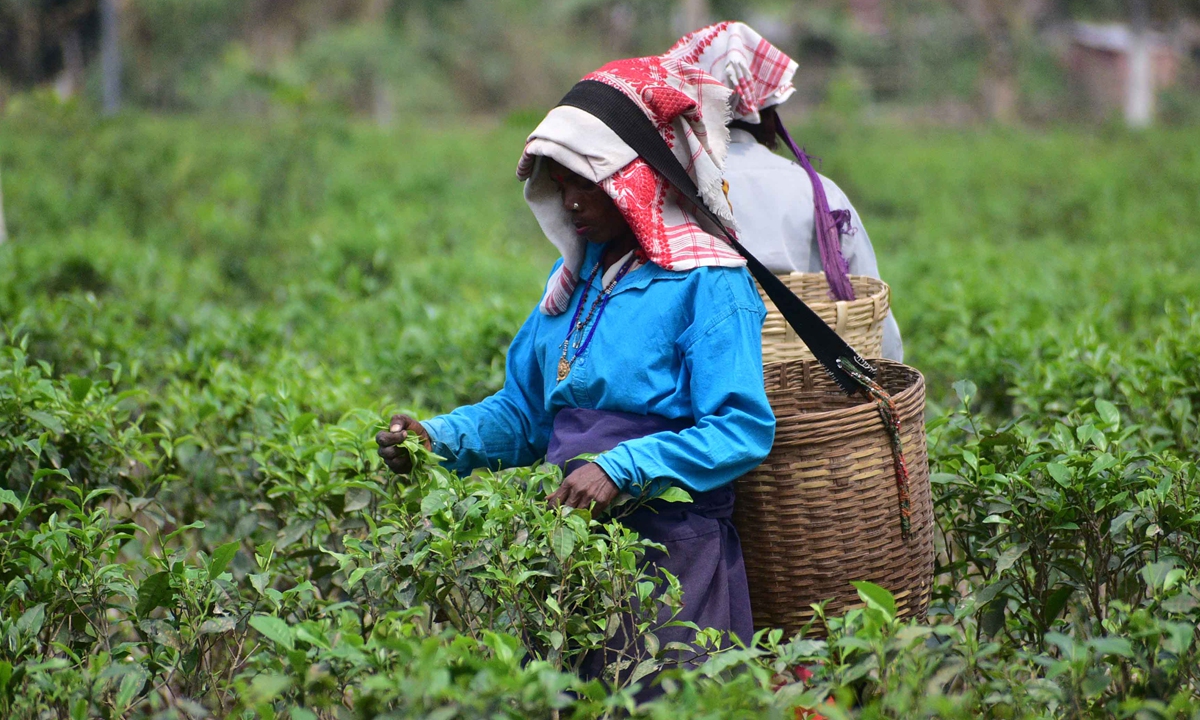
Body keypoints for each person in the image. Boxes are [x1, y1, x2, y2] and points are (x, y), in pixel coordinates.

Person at [376, 54, 773, 679]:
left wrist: (621, 468)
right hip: (571, 550)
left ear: (637, 179)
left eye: (585, 183)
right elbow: (524, 414)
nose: (570, 202)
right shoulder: (573, 286)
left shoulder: (708, 283)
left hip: (671, 556)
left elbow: (740, 428)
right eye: (559, 185)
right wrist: (438, 437)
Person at [664, 21, 904, 361]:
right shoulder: (818, 191)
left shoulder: (669, 190)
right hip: (808, 383)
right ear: (768, 112)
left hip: (703, 382)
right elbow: (876, 320)